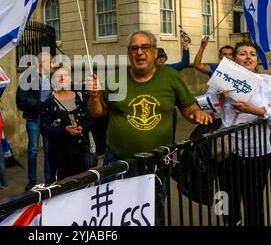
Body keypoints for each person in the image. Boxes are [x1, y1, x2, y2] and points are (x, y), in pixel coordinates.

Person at [87, 30, 213, 224]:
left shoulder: (170, 76)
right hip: (117, 160)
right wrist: (94, 97)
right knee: (114, 212)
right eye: (134, 48)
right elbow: (98, 112)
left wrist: (196, 114)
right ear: (129, 54)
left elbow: (188, 108)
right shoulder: (117, 78)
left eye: (145, 47)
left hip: (156, 162)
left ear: (154, 52)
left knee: (152, 211)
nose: (139, 52)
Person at [206, 41, 271, 226]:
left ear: (256, 59)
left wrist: (256, 110)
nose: (248, 57)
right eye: (243, 53)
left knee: (254, 201)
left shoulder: (266, 81)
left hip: (257, 152)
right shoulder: (220, 81)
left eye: (252, 53)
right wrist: (219, 99)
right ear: (234, 59)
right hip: (227, 152)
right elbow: (208, 114)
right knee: (227, 199)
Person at [40, 67, 96, 182]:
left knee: (83, 184)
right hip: (60, 156)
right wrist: (65, 129)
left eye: (65, 75)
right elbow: (44, 128)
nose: (62, 77)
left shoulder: (81, 97)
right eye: (58, 76)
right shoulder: (48, 104)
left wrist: (82, 127)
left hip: (81, 153)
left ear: (70, 79)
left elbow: (93, 119)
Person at [16, 52, 52, 191]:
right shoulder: (28, 76)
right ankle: (32, 180)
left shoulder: (52, 77)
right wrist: (40, 104)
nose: (51, 64)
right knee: (33, 150)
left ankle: (49, 179)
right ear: (42, 63)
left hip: (48, 119)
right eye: (49, 62)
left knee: (49, 149)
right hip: (34, 118)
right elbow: (23, 97)